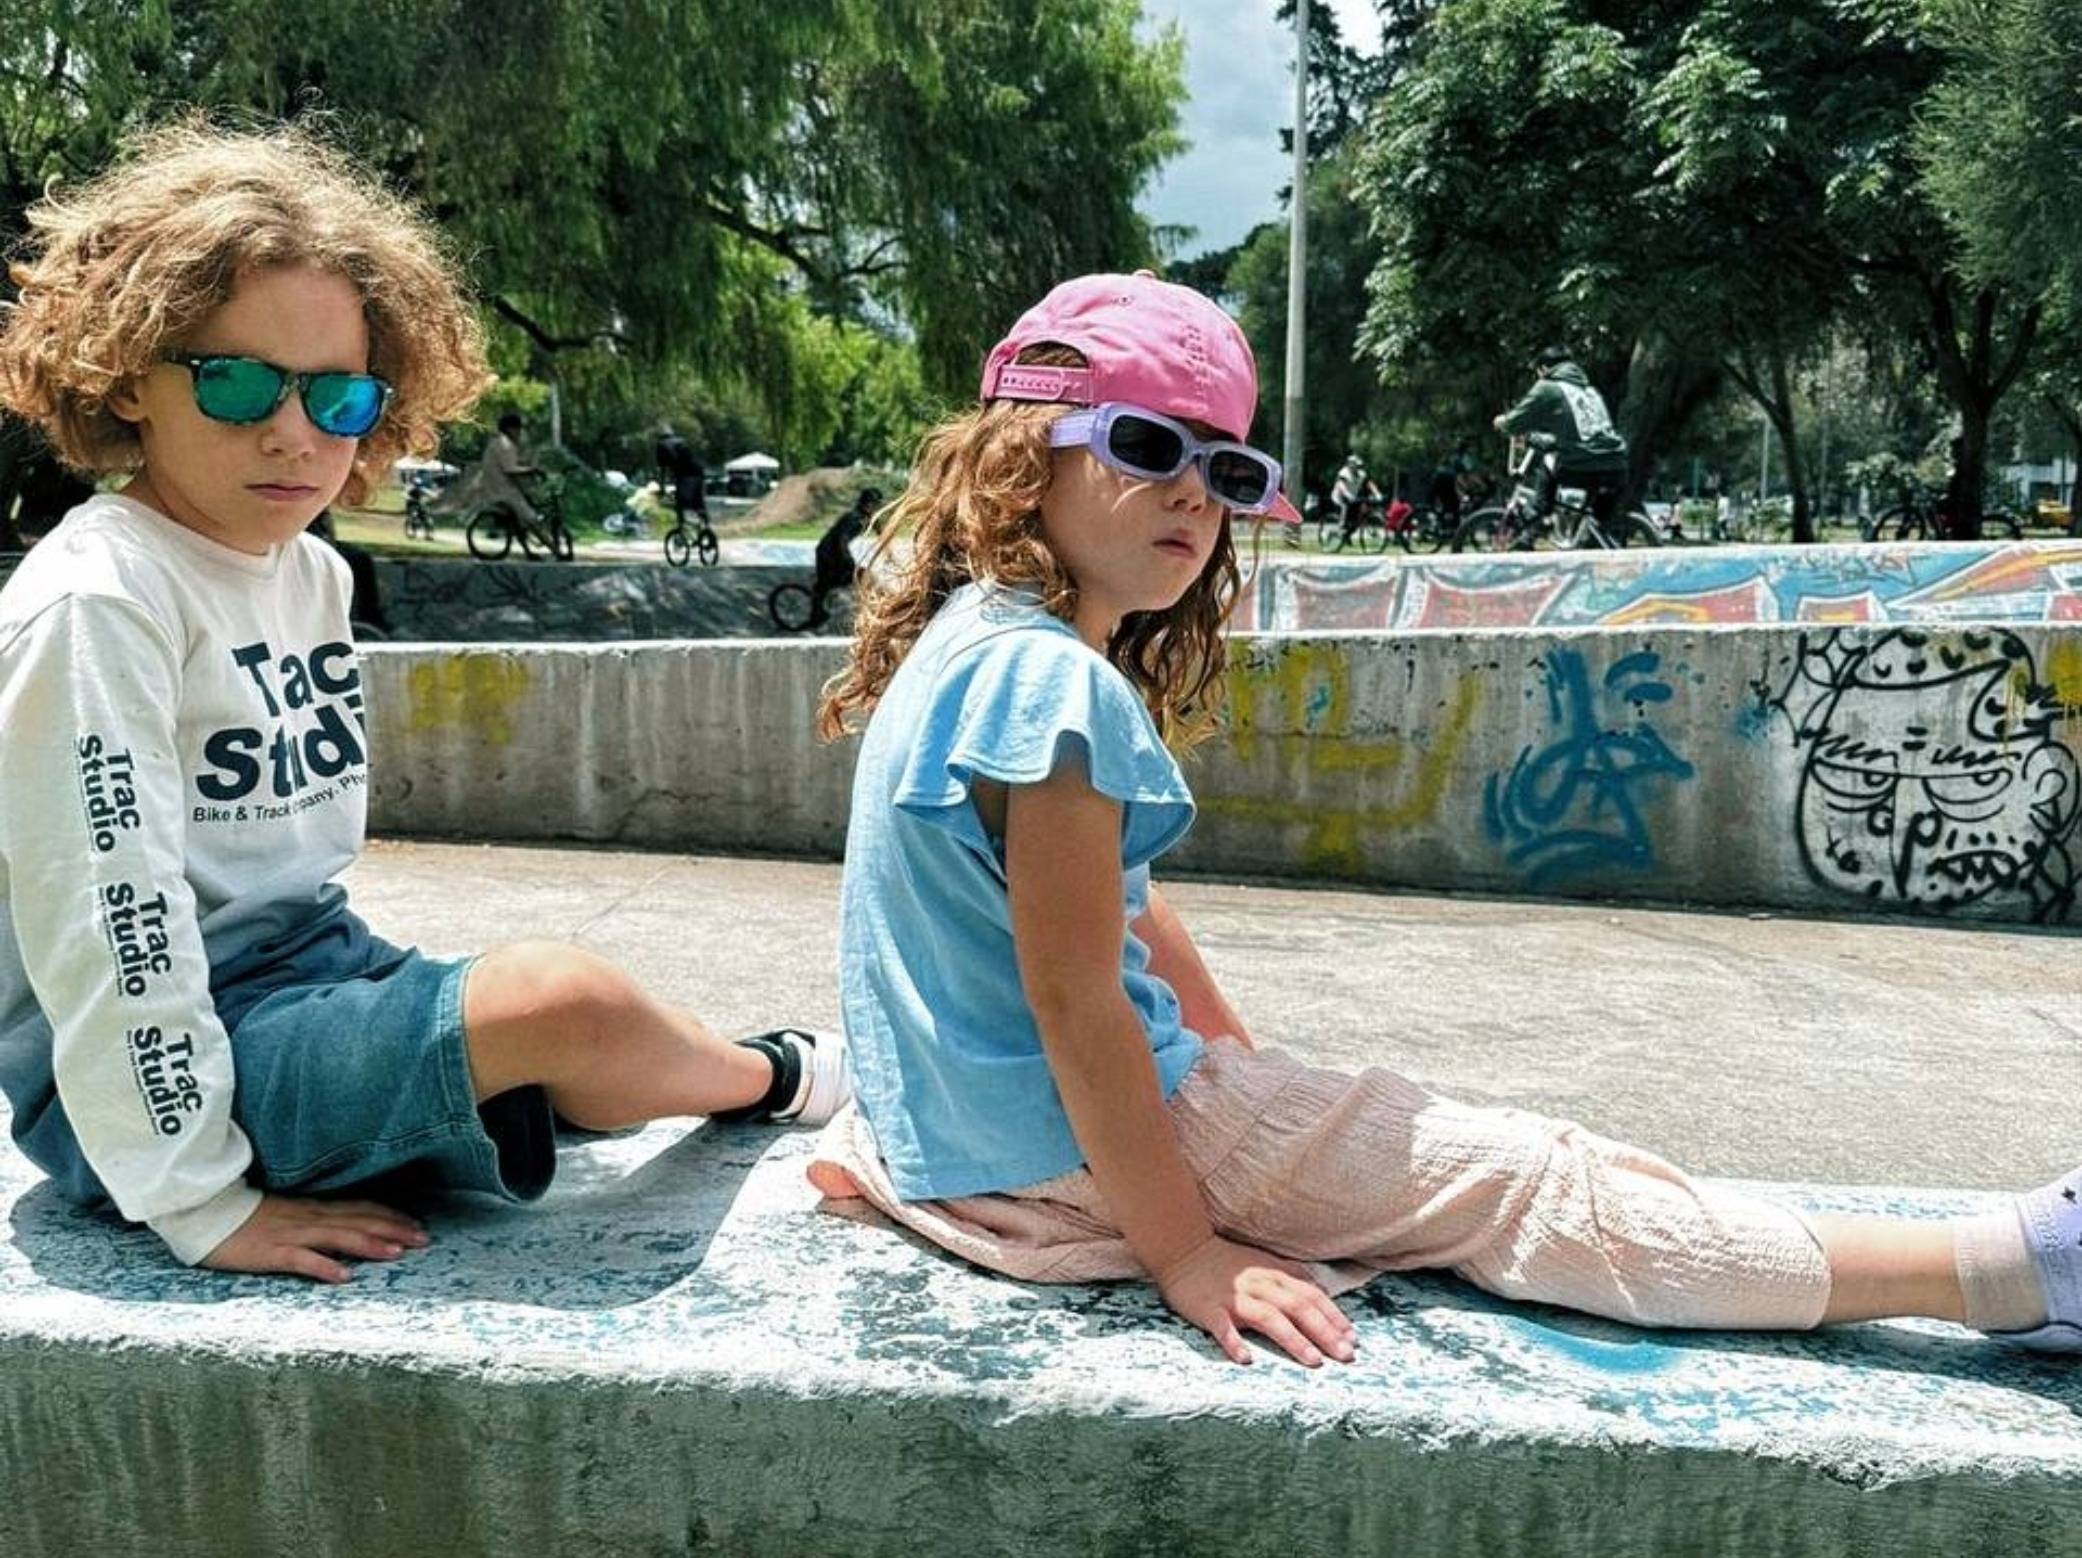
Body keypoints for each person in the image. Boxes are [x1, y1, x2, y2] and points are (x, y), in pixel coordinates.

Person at [801, 268, 2082, 1367]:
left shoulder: (970, 645)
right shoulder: (1053, 680)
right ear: (1023, 459)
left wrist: (1257, 1078)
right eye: (1147, 448)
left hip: (968, 1145)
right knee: (1525, 1188)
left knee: (1472, 1154)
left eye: (1229, 468)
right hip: (1070, 1152)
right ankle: (2010, 1268)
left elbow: (1118, 915)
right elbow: (1079, 1000)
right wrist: (1190, 1251)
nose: (1194, 494)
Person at [0, 120, 847, 1281]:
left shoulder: (309, 571)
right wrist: (199, 1202)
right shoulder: (103, 596)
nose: (294, 432)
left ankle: (757, 1069)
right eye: (238, 381)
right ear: (128, 374)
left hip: (309, 978)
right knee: (564, 999)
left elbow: (293, 893)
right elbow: (109, 927)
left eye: (340, 397)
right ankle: (790, 1074)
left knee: (573, 1050)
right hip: (151, 1084)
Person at [1494, 346, 1629, 531]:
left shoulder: (1548, 387)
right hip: (1617, 465)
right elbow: (1580, 438)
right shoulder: (1590, 391)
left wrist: (1502, 422)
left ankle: (1538, 509)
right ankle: (1592, 531)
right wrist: (1534, 439)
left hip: (1585, 466)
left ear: (1543, 369)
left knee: (1549, 462)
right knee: (1598, 519)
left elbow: (1514, 423)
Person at [808, 487, 879, 628]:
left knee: (860, 576)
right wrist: (848, 558)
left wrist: (890, 553)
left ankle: (866, 609)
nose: (876, 507)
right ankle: (815, 615)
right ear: (866, 504)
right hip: (827, 551)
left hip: (837, 551)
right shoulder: (854, 518)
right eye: (874, 504)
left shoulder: (868, 517)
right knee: (827, 583)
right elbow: (842, 539)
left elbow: (882, 531)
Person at [655, 424, 708, 531]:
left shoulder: (661, 445)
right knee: (698, 502)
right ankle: (706, 527)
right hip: (698, 472)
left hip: (685, 475)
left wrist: (662, 489)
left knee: (681, 503)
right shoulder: (682, 441)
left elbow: (662, 471)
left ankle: (682, 528)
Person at [1329, 450, 1378, 545]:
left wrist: (1376, 493)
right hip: (1340, 496)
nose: (1357, 468)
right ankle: (1341, 527)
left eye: (1358, 466)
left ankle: (1346, 536)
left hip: (1353, 498)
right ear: (1350, 465)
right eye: (1355, 465)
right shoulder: (1344, 472)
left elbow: (1369, 483)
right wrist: (1347, 494)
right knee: (1345, 507)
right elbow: (1341, 485)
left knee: (1357, 520)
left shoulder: (1361, 474)